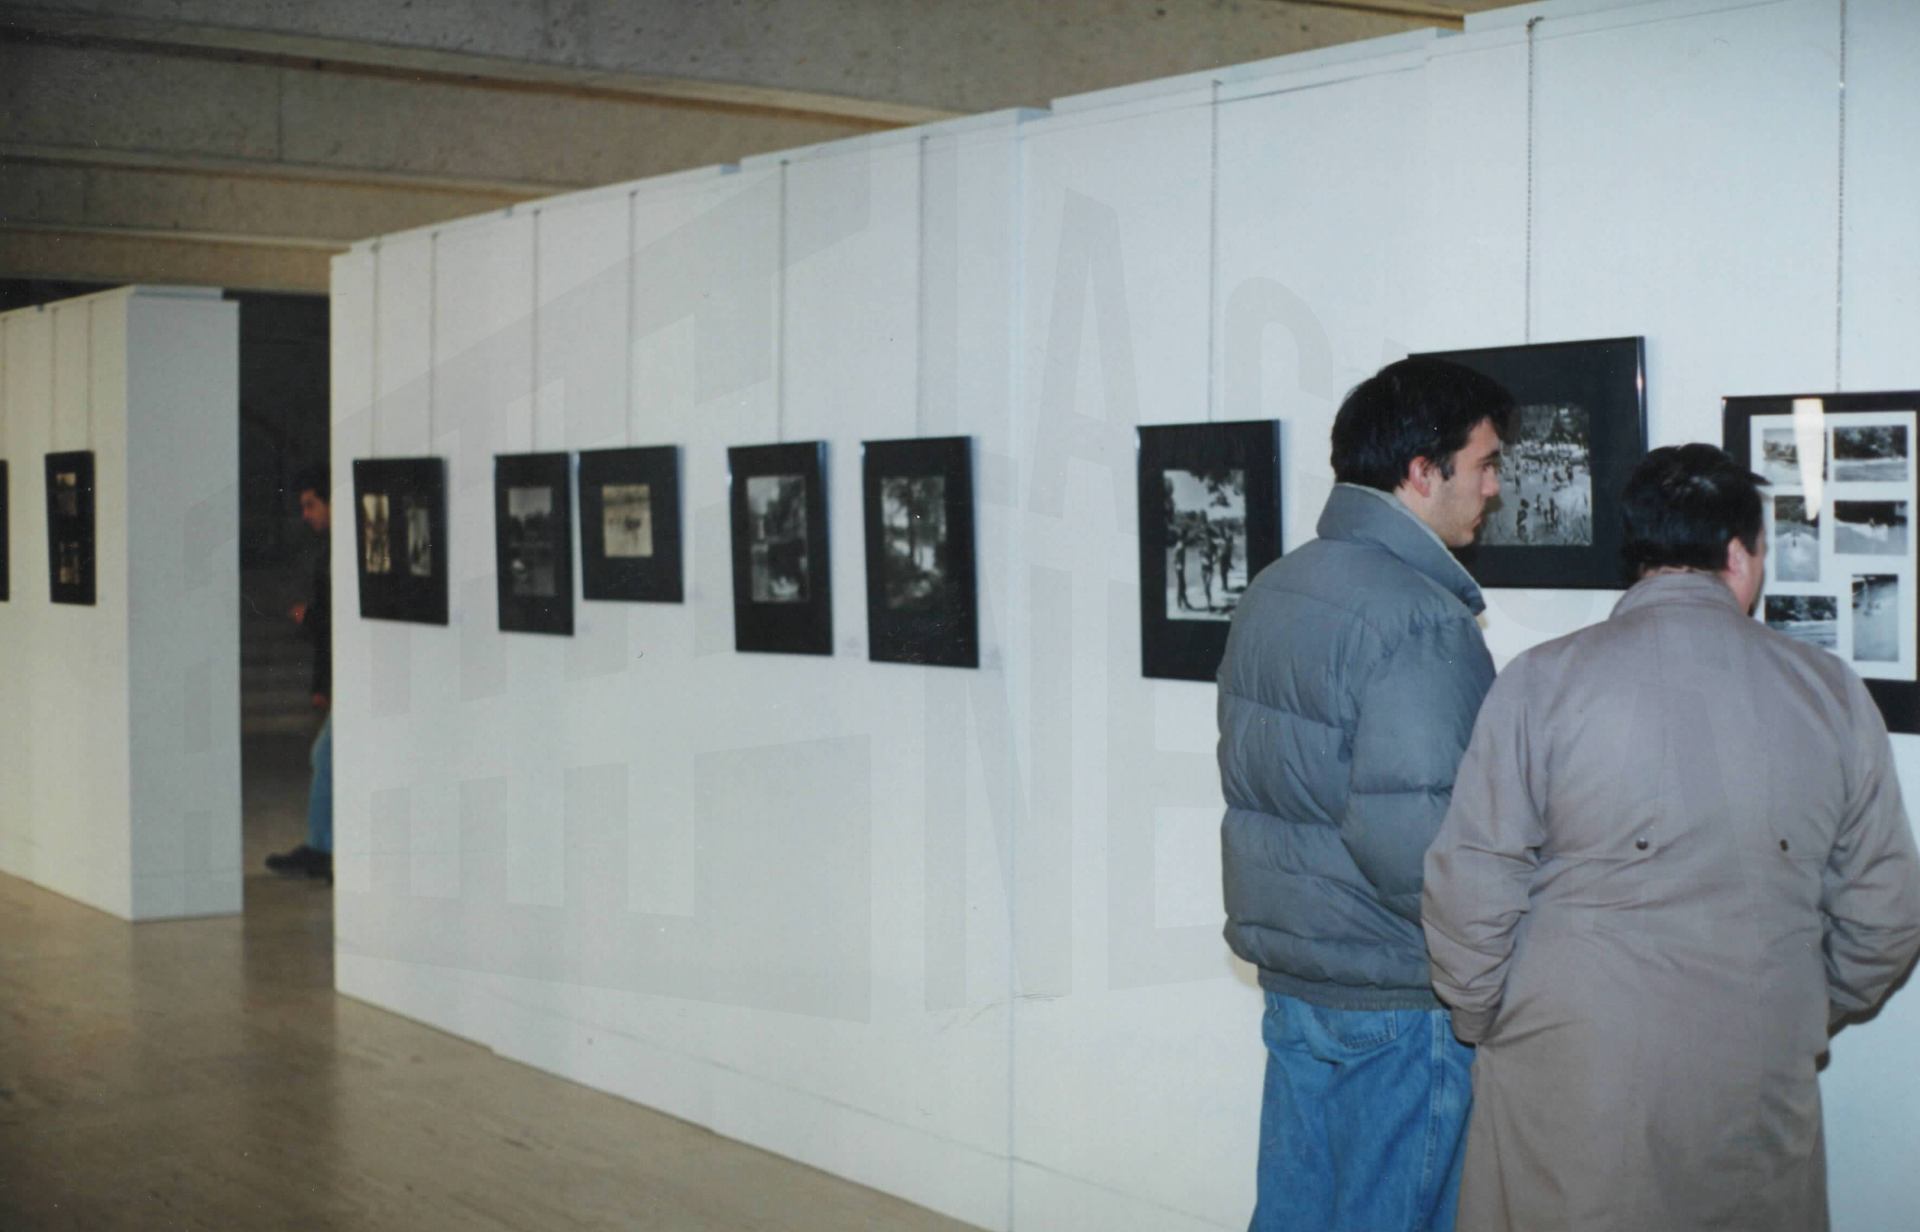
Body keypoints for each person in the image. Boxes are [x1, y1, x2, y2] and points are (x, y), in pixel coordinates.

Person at [1422, 444, 1920, 1232]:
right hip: (1756, 1072)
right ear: (1738, 554)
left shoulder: (1543, 681)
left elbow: (1469, 885)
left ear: (1640, 553)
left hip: (1569, 1068)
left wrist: (1492, 1018)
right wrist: (1798, 1005)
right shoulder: (1831, 696)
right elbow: (1887, 917)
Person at [1218, 356, 1512, 1232]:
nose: (1493, 488)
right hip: (1397, 996)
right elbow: (1419, 844)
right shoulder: (1419, 616)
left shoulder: (1277, 587)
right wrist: (1488, 978)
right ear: (1423, 471)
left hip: (1299, 979)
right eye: (1485, 463)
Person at [266, 466, 334, 884]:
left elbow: (333, 624)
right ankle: (322, 846)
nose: (306, 515)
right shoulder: (329, 550)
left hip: (345, 675)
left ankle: (323, 848)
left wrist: (311, 617)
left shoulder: (334, 552)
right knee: (324, 756)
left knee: (325, 756)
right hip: (340, 675)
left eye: (311, 504)